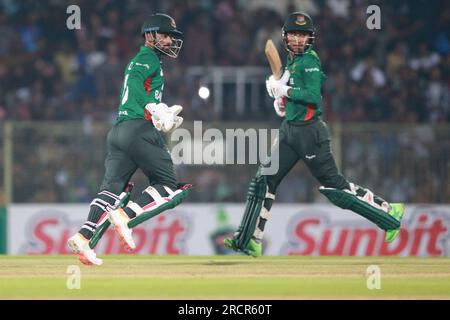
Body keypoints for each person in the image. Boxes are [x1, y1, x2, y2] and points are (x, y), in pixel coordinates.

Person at [224, 12, 404, 257]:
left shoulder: (310, 60)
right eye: (294, 35)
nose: (298, 40)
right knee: (263, 180)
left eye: (303, 35)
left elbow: (312, 97)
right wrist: (281, 102)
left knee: (336, 189)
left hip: (310, 133)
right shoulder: (292, 61)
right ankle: (249, 239)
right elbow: (293, 97)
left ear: (310, 38)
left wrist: (284, 89)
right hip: (289, 130)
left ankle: (388, 213)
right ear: (286, 37)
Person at [67, 13, 192, 265]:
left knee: (111, 191)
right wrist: (153, 108)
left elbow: (137, 90)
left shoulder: (145, 59)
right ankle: (126, 216)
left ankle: (83, 237)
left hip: (119, 131)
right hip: (139, 130)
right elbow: (136, 84)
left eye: (170, 36)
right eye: (165, 35)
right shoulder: (147, 59)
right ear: (150, 35)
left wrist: (159, 113)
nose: (169, 40)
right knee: (169, 186)